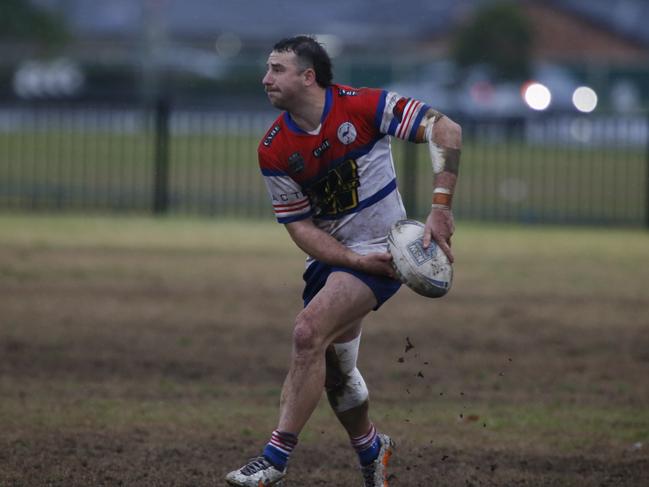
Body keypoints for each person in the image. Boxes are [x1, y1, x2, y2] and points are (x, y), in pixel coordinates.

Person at [225, 35, 461, 487]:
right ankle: (373, 449)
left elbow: (446, 129)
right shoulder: (273, 149)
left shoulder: (363, 106)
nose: (265, 78)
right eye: (267, 69)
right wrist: (350, 259)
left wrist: (441, 207)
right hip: (338, 260)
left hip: (382, 252)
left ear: (308, 76)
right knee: (335, 371)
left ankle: (275, 457)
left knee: (307, 332)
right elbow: (301, 229)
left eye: (277, 69)